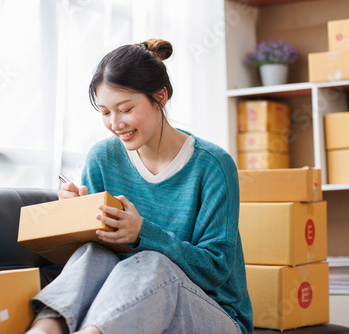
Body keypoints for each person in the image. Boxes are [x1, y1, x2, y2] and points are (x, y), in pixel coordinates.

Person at [25, 39, 253, 334]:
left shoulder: (212, 166)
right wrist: (74, 216)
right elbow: (96, 253)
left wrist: (142, 233)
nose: (116, 123)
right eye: (105, 113)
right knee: (95, 255)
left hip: (215, 313)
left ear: (161, 96)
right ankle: (45, 329)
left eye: (125, 109)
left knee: (153, 263)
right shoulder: (102, 157)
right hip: (129, 310)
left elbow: (215, 271)